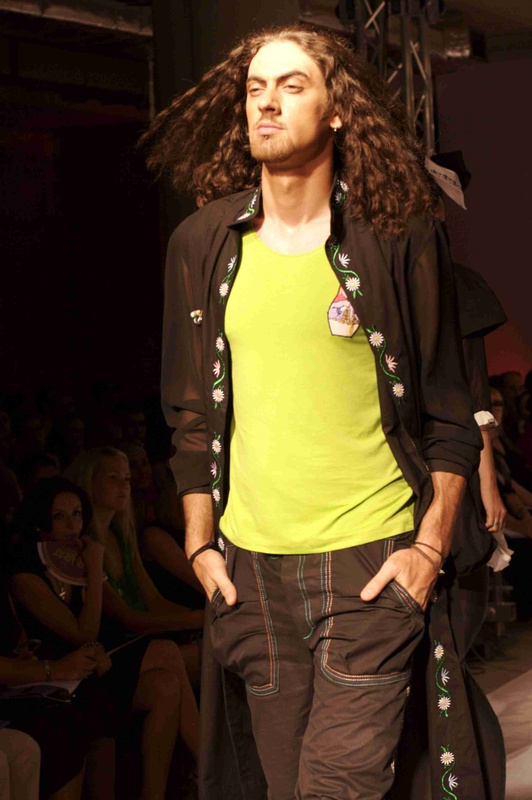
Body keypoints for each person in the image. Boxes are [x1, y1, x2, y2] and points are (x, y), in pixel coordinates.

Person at [143, 24, 500, 800]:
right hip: (250, 577)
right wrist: (200, 544)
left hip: (369, 565)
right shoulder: (201, 244)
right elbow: (190, 413)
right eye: (255, 88)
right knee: (285, 788)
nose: (266, 103)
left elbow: (447, 410)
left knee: (336, 786)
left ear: (338, 110)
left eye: (292, 85)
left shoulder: (394, 237)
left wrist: (428, 548)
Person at [65, 447, 202, 798]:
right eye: (113, 478)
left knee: (166, 686)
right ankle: (210, 763)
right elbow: (128, 619)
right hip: (107, 654)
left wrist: (201, 621)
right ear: (89, 482)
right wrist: (202, 619)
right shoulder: (86, 544)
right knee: (173, 652)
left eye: (127, 478)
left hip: (136, 651)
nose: (125, 486)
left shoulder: (120, 534)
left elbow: (153, 601)